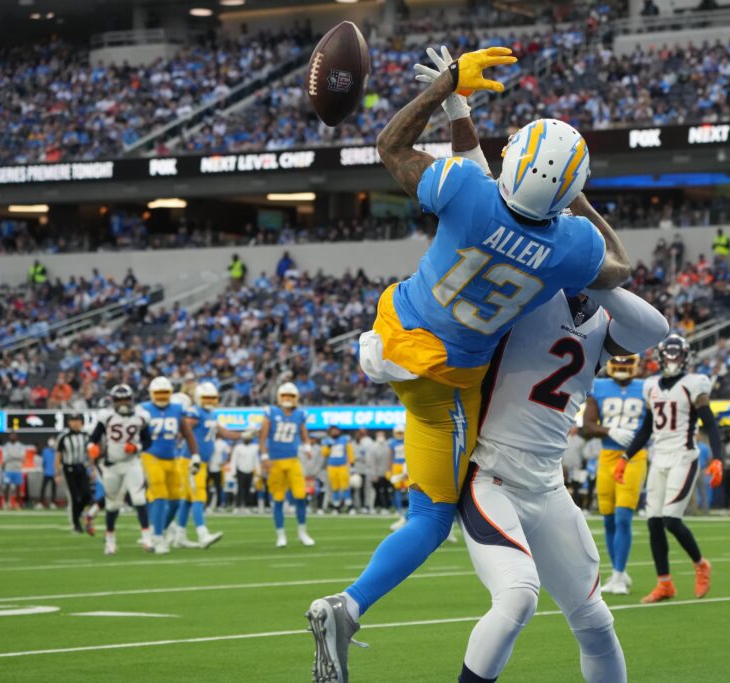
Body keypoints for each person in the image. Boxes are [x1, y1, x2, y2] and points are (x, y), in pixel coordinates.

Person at [307, 44, 631, 683]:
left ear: (511, 166)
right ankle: (346, 607)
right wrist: (582, 203)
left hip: (401, 322)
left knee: (435, 496)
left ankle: (380, 358)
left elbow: (394, 146)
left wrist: (449, 92)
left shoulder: (469, 192)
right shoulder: (569, 248)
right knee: (430, 517)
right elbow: (618, 264)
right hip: (449, 379)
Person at [457, 284, 666, 682]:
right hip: (491, 476)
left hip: (549, 487)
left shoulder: (601, 317)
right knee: (517, 597)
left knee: (595, 620)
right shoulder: (523, 294)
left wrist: (599, 279)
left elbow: (655, 328)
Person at [620, 335, 721, 604]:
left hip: (683, 457)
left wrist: (718, 458)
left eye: (678, 355)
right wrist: (625, 457)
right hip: (659, 456)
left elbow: (710, 423)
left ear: (686, 357)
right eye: (669, 355)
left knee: (671, 520)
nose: (673, 360)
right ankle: (664, 584)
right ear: (661, 358)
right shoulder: (650, 386)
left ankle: (701, 564)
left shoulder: (694, 384)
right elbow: (646, 428)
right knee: (653, 521)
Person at [581, 354, 647, 595]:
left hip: (634, 456)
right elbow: (587, 425)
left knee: (622, 516)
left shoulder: (646, 387)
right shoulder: (598, 386)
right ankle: (618, 571)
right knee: (608, 518)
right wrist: (610, 430)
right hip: (607, 456)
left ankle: (619, 574)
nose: (622, 366)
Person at [177, 382, 249, 548]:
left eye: (212, 398)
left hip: (200, 462)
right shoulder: (195, 412)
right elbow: (185, 429)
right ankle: (202, 534)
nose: (209, 401)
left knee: (187, 499)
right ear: (198, 398)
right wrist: (191, 451)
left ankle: (180, 536)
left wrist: (243, 434)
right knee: (198, 496)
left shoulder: (211, 414)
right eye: (206, 398)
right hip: (190, 461)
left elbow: (223, 432)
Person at [139, 376, 201, 554]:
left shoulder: (176, 409)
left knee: (175, 501)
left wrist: (195, 454)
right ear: (151, 394)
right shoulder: (143, 410)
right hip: (150, 456)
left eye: (164, 393)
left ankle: (159, 531)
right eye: (158, 393)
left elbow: (187, 433)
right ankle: (157, 539)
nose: (161, 397)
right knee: (160, 495)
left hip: (171, 458)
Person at [87, 385, 152, 555]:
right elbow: (93, 437)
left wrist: (136, 447)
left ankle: (147, 537)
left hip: (132, 463)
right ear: (113, 401)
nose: (123, 403)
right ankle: (110, 541)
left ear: (131, 400)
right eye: (119, 400)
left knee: (139, 499)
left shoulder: (141, 416)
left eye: (125, 399)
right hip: (112, 465)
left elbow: (148, 441)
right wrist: (91, 447)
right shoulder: (107, 416)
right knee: (112, 504)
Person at [259, 382, 316, 548]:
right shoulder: (271, 412)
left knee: (300, 495)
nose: (288, 399)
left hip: (293, 460)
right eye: (285, 396)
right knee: (277, 499)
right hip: (275, 461)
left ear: (296, 398)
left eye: (291, 396)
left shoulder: (299, 414)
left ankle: (302, 532)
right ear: (279, 397)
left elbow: (304, 434)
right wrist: (264, 456)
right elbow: (262, 436)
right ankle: (281, 535)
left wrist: (307, 447)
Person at [57, 414, 91, 532]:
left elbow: (90, 453)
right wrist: (57, 473)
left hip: (81, 468)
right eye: (73, 420)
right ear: (69, 423)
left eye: (78, 420)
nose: (75, 423)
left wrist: (92, 469)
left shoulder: (86, 436)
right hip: (69, 469)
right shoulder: (64, 437)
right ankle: (76, 524)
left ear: (82, 422)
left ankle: (78, 515)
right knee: (74, 497)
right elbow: (58, 455)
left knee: (87, 495)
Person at [322, 426, 355, 514]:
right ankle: (336, 506)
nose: (335, 432)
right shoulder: (327, 441)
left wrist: (352, 464)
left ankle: (349, 505)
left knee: (345, 486)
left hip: (342, 466)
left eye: (336, 430)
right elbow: (324, 454)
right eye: (333, 431)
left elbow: (349, 451)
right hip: (332, 466)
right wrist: (328, 447)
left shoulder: (344, 439)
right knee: (335, 487)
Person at [231, 432, 260, 512]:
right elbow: (234, 460)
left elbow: (256, 460)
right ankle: (237, 506)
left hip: (250, 470)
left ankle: (247, 506)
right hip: (240, 470)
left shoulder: (254, 448)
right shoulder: (238, 447)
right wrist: (233, 471)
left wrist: (258, 471)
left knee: (248, 489)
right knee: (240, 489)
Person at [1, 432, 26, 509]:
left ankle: (17, 504)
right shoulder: (6, 446)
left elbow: (22, 457)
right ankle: (6, 503)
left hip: (17, 470)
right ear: (9, 437)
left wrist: (11, 456)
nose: (13, 437)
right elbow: (5, 458)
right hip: (8, 470)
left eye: (14, 436)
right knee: (6, 486)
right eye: (11, 436)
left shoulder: (21, 446)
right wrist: (16, 456)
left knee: (18, 488)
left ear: (16, 437)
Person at [38, 438, 58, 509]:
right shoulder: (45, 451)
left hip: (54, 473)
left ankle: (52, 503)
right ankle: (40, 503)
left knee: (53, 489)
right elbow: (43, 462)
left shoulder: (57, 452)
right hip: (47, 472)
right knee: (43, 488)